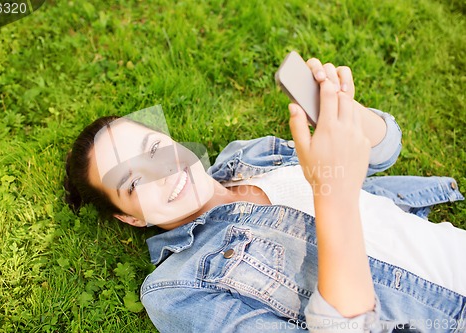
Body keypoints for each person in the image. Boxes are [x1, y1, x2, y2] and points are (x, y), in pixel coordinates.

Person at [64, 58, 466, 333]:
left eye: (153, 148)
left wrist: (342, 109)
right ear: (130, 218)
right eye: (133, 183)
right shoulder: (176, 290)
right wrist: (333, 196)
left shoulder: (250, 154)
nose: (162, 172)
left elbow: (384, 149)